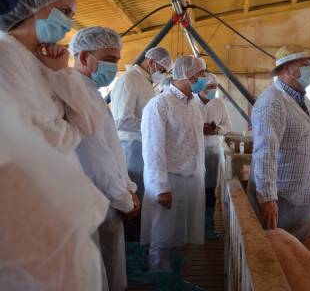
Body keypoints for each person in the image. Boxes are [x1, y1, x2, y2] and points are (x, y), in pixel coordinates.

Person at [0, 0, 102, 168]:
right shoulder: (6, 53)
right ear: (33, 5)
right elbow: (39, 140)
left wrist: (62, 73)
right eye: (64, 11)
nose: (69, 22)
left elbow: (91, 124)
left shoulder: (47, 61)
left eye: (72, 15)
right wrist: (72, 124)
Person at [69, 26, 141, 291]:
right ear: (85, 56)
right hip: (96, 201)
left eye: (117, 59)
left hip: (107, 198)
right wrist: (124, 199)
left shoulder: (90, 93)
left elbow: (111, 152)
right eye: (110, 59)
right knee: (99, 276)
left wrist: (129, 189)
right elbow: (94, 161)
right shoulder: (77, 94)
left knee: (107, 273)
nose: (115, 65)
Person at [247, 45, 310, 241]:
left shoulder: (301, 99)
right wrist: (267, 198)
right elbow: (265, 151)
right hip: (282, 199)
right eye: (304, 65)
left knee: (302, 252)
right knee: (282, 253)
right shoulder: (272, 102)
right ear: (287, 69)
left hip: (301, 194)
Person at [141, 55, 207, 270]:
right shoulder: (160, 104)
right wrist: (161, 187)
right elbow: (153, 149)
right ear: (189, 76)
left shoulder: (193, 105)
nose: (205, 79)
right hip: (169, 180)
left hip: (191, 179)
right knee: (163, 235)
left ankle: (176, 276)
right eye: (202, 74)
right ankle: (161, 277)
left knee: (182, 232)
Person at [110, 47, 172, 240]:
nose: (161, 74)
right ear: (151, 61)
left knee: (144, 195)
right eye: (161, 69)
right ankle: (133, 240)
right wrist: (152, 125)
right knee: (134, 198)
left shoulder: (145, 82)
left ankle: (142, 236)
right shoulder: (129, 80)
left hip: (142, 145)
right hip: (131, 147)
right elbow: (122, 119)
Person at [194, 72, 231, 240]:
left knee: (211, 190)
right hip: (194, 151)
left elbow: (227, 125)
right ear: (201, 87)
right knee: (195, 188)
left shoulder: (219, 103)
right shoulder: (191, 102)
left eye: (215, 88)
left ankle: (209, 225)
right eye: (210, 87)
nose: (213, 91)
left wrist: (216, 129)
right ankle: (194, 226)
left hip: (213, 151)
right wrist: (199, 129)